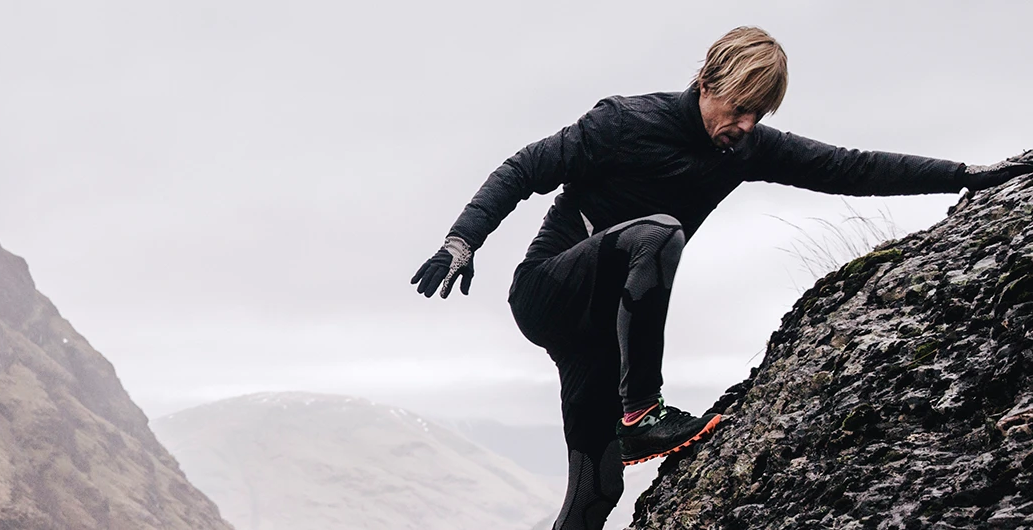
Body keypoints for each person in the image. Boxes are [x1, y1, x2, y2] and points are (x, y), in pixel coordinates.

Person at [409, 26, 1032, 530]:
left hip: (598, 336)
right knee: (657, 231)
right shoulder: (624, 122)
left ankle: (625, 433)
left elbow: (852, 167)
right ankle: (641, 411)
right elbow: (524, 167)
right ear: (707, 82)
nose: (745, 125)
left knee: (597, 491)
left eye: (759, 114)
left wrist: (969, 174)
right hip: (550, 291)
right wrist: (462, 240)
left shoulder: (746, 148)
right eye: (739, 107)